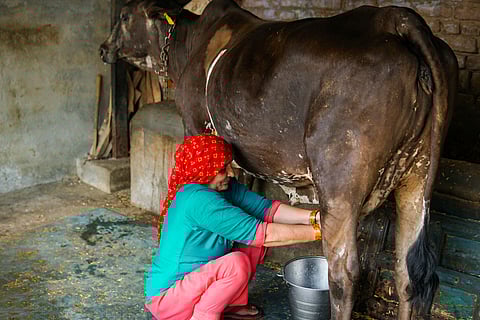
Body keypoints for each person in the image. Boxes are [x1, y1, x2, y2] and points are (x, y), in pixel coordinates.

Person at [145, 134, 322, 320]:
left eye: (229, 165)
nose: (230, 173)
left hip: (197, 282)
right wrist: (323, 232)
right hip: (168, 299)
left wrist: (315, 217)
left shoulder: (222, 187)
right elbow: (264, 234)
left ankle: (230, 305)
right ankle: (203, 316)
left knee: (251, 245)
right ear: (205, 170)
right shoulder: (198, 200)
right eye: (222, 168)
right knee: (236, 264)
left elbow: (266, 209)